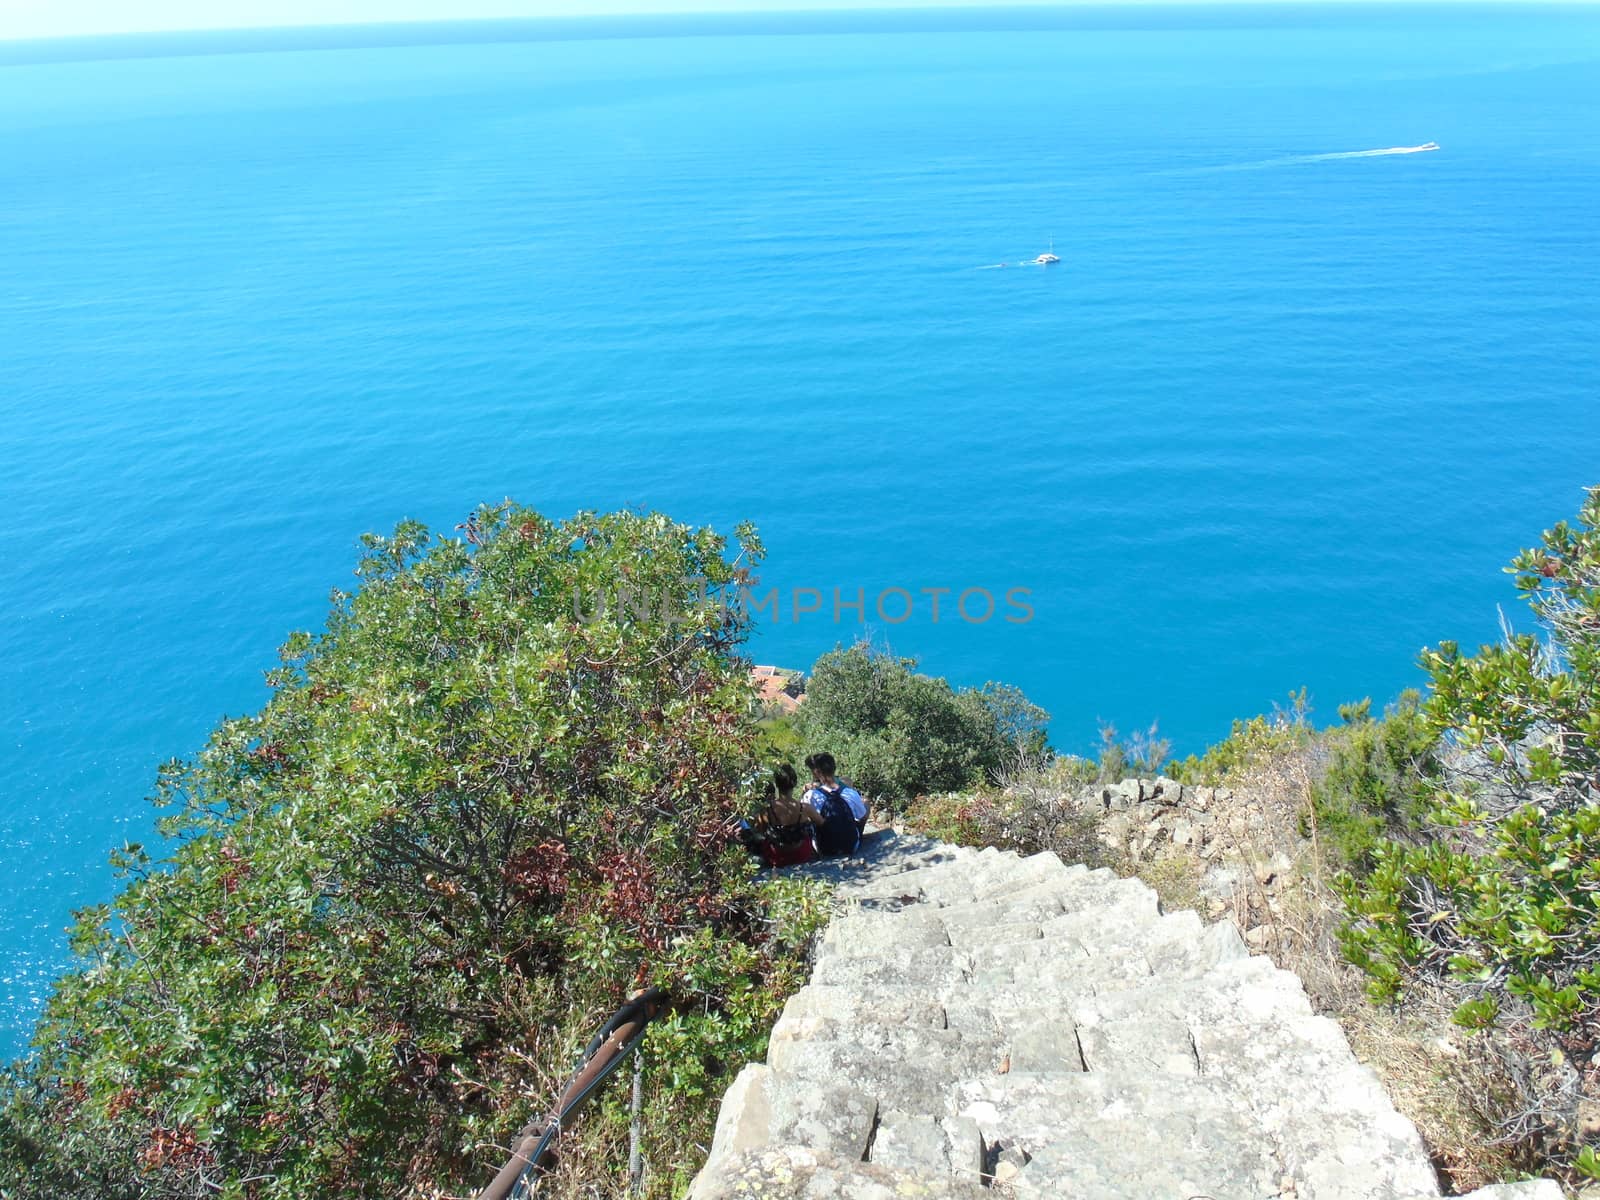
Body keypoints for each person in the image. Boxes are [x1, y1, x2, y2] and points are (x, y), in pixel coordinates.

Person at [739, 764, 821, 868]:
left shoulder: (767, 810)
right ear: (795, 783)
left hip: (776, 857)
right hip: (802, 855)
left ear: (776, 784)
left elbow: (759, 830)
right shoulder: (805, 808)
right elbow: (822, 823)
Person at [803, 751, 869, 856]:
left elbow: (803, 819)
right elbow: (863, 816)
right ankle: (857, 835)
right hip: (851, 847)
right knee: (865, 805)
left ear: (817, 772)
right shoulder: (850, 792)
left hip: (824, 849)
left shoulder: (811, 795)